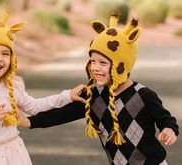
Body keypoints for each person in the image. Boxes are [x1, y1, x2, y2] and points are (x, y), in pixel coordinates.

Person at [18, 14, 179, 165]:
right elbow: (61, 114)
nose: (95, 68)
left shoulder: (144, 95)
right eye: (93, 61)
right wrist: (30, 121)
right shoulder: (94, 96)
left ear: (121, 66)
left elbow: (166, 119)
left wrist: (169, 129)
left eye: (103, 63)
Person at [0, 11, 86, 165]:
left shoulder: (12, 86)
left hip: (14, 154)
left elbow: (35, 107)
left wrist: (67, 96)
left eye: (5, 53)